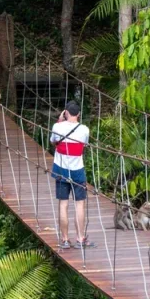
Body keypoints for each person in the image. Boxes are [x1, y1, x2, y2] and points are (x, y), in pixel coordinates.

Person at [50, 100, 94, 249]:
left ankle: (65, 239)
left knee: (63, 203)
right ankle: (80, 238)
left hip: (61, 169)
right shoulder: (85, 129)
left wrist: (60, 120)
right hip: (77, 170)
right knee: (79, 204)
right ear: (79, 114)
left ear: (66, 112)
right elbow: (85, 145)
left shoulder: (57, 126)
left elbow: (53, 142)